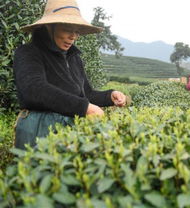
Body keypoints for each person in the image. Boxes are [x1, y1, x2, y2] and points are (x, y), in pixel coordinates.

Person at [13, 0, 127, 149]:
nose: (73, 36)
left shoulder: (73, 58)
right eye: (67, 29)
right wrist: (84, 107)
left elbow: (86, 94)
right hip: (38, 128)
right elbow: (34, 89)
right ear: (49, 26)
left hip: (68, 130)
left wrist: (110, 96)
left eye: (77, 31)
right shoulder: (29, 52)